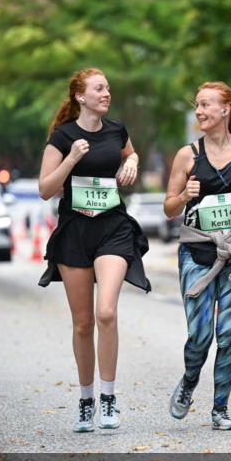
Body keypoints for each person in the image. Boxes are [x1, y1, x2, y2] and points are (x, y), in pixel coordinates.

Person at [38, 68, 150, 433]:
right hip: (75, 232)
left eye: (108, 88)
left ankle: (108, 396)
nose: (106, 93)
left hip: (113, 229)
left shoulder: (117, 130)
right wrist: (70, 159)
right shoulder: (63, 136)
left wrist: (131, 162)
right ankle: (86, 400)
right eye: (99, 88)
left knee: (106, 313)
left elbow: (130, 154)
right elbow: (45, 188)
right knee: (83, 322)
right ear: (80, 97)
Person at [163, 81, 231, 431]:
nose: (199, 111)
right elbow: (169, 209)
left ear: (225, 110)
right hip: (197, 254)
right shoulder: (187, 155)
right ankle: (189, 381)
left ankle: (220, 409)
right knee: (200, 336)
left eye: (206, 105)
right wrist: (184, 194)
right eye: (197, 105)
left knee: (228, 334)